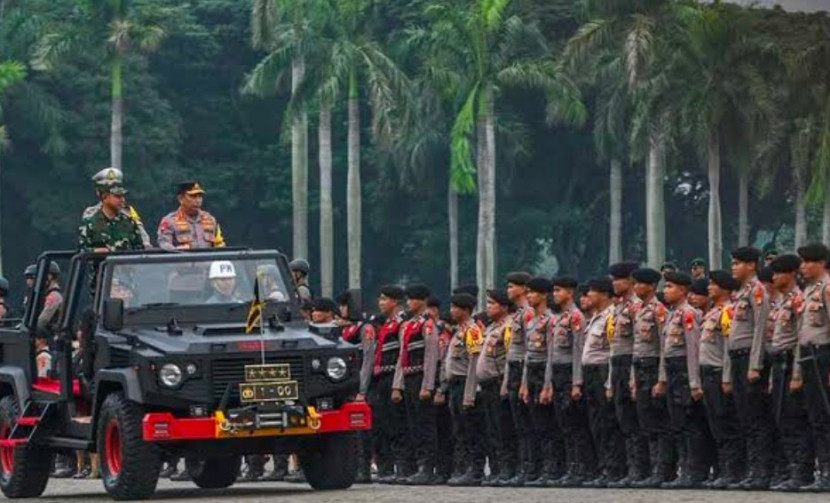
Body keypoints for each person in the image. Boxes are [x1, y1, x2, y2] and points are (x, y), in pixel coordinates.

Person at [728, 246, 774, 490]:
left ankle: (762, 472)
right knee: (744, 416)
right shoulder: (741, 293)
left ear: (751, 266)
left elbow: (760, 330)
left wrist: (755, 365)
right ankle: (752, 470)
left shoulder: (758, 291)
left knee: (756, 418)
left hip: (749, 359)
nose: (733, 267)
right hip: (736, 358)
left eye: (737, 263)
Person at [657, 272, 708, 489]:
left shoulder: (689, 314)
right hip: (672, 371)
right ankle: (685, 469)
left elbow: (693, 349)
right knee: (677, 423)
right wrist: (662, 379)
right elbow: (664, 351)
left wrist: (694, 382)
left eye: (670, 286)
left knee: (690, 424)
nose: (666, 290)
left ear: (682, 291)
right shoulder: (671, 315)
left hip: (684, 373)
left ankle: (694, 471)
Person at [767, 254, 815, 491]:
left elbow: (800, 340)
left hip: (791, 364)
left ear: (791, 274)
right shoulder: (782, 302)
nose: (774, 277)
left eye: (778, 272)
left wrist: (797, 374)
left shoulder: (798, 300)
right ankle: (789, 470)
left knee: (795, 420)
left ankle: (801, 472)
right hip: (778, 365)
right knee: (781, 419)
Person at [543, 276, 594, 487]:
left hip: (569, 374)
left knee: (575, 425)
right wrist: (547, 384)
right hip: (556, 373)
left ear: (570, 293)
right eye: (554, 290)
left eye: (558, 290)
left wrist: (576, 382)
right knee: (563, 424)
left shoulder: (576, 317)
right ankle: (571, 466)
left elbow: (577, 351)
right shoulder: (557, 319)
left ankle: (582, 468)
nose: (554, 294)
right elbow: (549, 354)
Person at [629, 268, 675, 488]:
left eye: (639, 284)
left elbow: (665, 347)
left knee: (659, 422)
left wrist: (662, 379)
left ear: (650, 286)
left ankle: (663, 470)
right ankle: (651, 467)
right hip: (639, 368)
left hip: (653, 368)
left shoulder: (659, 311)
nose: (635, 287)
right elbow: (635, 347)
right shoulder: (638, 310)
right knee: (645, 421)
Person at [700, 270, 744, 489]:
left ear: (725, 288)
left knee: (725, 423)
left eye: (713, 284)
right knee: (715, 425)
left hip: (719, 374)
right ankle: (722, 469)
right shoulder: (712, 312)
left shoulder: (727, 312)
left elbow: (729, 347)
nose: (709, 288)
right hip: (707, 374)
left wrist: (727, 377)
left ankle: (732, 471)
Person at [392, 285, 441, 486]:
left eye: (413, 299)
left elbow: (431, 356)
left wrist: (428, 385)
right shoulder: (407, 325)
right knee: (412, 425)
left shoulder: (427, 325)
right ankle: (417, 465)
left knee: (425, 425)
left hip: (421, 378)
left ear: (422, 301)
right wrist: (398, 385)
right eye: (408, 299)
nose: (409, 303)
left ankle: (428, 468)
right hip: (409, 378)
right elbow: (401, 357)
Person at [581, 278, 627, 487]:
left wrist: (609, 382)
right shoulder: (595, 318)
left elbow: (612, 350)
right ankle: (603, 466)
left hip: (603, 372)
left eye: (592, 291)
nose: (588, 295)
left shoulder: (611, 317)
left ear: (604, 294)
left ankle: (614, 467)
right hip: (590, 373)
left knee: (608, 422)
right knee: (596, 422)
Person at [607, 261, 648, 488]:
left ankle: (639, 468)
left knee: (635, 419)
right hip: (617, 365)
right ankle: (629, 467)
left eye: (618, 279)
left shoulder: (637, 308)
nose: (614, 284)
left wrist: (633, 376)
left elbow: (639, 345)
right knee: (622, 419)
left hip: (632, 365)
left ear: (631, 281)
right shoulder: (619, 308)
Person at [518, 277, 562, 486]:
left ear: (544, 295)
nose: (529, 296)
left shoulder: (550, 320)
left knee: (547, 425)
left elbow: (551, 355)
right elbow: (528, 354)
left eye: (533, 292)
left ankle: (551, 469)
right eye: (527, 293)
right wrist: (525, 383)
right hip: (532, 371)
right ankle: (536, 467)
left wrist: (547, 385)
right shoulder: (530, 321)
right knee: (534, 424)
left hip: (545, 371)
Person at [795, 243, 830, 491]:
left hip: (823, 357)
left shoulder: (828, 288)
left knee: (825, 418)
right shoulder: (809, 291)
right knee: (815, 418)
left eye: (808, 261)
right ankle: (823, 471)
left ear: (821, 263)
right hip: (808, 357)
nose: (803, 266)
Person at [442, 293, 485, 487]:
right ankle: (463, 468)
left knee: (470, 430)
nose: (451, 311)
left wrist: (470, 394)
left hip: (465, 385)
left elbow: (474, 364)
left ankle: (475, 471)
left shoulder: (473, 331)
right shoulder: (459, 330)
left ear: (466, 310)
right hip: (454, 386)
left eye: (455, 307)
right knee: (459, 430)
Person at [475, 289, 514, 486]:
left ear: (504, 307)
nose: (488, 307)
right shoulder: (491, 328)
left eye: (492, 303)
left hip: (498, 383)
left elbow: (509, 358)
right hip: (487, 385)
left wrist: (506, 384)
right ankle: (497, 468)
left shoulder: (508, 327)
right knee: (492, 429)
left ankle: (507, 469)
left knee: (502, 429)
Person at [369, 285, 407, 483]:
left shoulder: (402, 323)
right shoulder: (386, 324)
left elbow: (403, 354)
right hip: (381, 380)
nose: (380, 303)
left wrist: (397, 385)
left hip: (393, 377)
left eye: (384, 299)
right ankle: (385, 468)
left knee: (396, 426)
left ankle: (402, 468)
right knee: (381, 425)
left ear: (395, 302)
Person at [338, 290, 375, 484]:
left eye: (345, 305)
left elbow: (368, 359)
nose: (342, 309)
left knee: (362, 431)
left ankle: (365, 468)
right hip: (347, 386)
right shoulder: (345, 329)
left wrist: (362, 389)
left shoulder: (365, 328)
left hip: (361, 386)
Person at [502, 271, 534, 486]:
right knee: (518, 424)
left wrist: (523, 380)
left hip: (524, 369)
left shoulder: (528, 314)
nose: (509, 290)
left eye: (513, 286)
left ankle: (530, 468)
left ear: (524, 288)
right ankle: (524, 467)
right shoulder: (517, 314)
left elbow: (530, 349)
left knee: (526, 423)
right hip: (513, 369)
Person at [84, 167, 152, 248]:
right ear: (101, 194)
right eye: (116, 195)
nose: (122, 200)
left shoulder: (128, 212)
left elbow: (142, 238)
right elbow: (85, 244)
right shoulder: (91, 213)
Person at [78, 183, 145, 253]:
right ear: (105, 197)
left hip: (125, 263)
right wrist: (97, 251)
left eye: (123, 196)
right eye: (118, 196)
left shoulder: (129, 223)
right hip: (99, 263)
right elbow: (81, 250)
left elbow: (139, 249)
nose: (122, 200)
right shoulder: (90, 223)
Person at [157, 181, 225, 250]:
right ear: (181, 199)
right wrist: (177, 250)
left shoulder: (210, 220)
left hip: (208, 260)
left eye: (200, 197)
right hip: (182, 259)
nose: (198, 200)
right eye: (193, 196)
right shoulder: (170, 221)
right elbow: (164, 244)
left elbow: (219, 245)